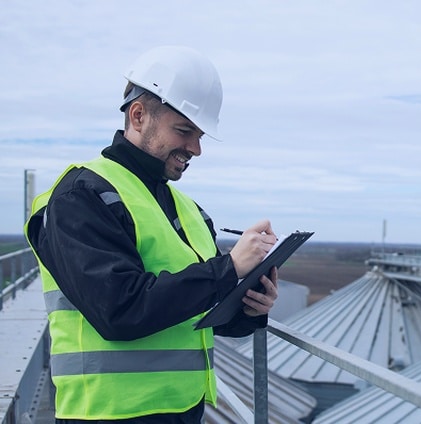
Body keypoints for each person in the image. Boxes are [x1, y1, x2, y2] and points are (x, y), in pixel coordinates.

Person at [24, 45, 279, 423]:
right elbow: (119, 311)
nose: (195, 148)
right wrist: (227, 270)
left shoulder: (188, 209)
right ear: (139, 115)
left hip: (184, 410)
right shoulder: (82, 195)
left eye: (200, 135)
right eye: (184, 131)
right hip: (106, 415)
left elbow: (198, 313)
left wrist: (248, 307)